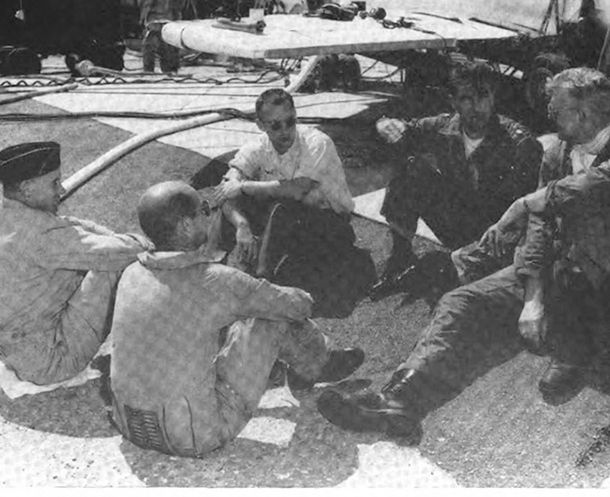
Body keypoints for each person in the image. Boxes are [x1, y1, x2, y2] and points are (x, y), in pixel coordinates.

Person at [316, 68, 610, 440]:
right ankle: (398, 401)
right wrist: (532, 298)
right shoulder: (558, 151)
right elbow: (540, 228)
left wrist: (526, 203)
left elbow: (594, 187)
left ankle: (574, 346)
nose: (550, 115)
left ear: (584, 115)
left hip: (608, 279)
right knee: (459, 303)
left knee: (569, 266)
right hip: (555, 269)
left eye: (557, 110)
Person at [109, 181, 364, 457]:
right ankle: (316, 364)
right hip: (194, 435)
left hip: (131, 424)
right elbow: (297, 306)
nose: (209, 215)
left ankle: (308, 364)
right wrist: (277, 292)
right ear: (185, 225)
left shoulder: (131, 274)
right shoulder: (214, 281)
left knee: (215, 321)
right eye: (204, 210)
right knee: (270, 315)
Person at [0, 142, 152, 385]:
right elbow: (126, 252)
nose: (62, 189)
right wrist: (140, 241)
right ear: (27, 189)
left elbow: (69, 226)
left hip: (14, 352)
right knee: (115, 266)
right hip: (52, 362)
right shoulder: (41, 236)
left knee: (84, 256)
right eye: (54, 183)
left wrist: (105, 238)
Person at [369, 58, 542, 301]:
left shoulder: (520, 143)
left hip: (498, 236)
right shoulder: (443, 127)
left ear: (494, 97)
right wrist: (384, 124)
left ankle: (459, 269)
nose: (477, 107)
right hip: (458, 224)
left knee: (452, 284)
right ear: (454, 102)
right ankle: (400, 257)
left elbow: (526, 216)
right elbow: (399, 131)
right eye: (467, 98)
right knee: (411, 169)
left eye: (483, 96)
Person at [212, 88, 375, 317]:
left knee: (282, 206)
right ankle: (209, 274)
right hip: (288, 227)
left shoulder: (317, 142)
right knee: (235, 204)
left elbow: (298, 190)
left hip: (329, 228)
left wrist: (244, 186)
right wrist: (242, 224)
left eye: (290, 121)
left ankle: (261, 285)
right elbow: (225, 189)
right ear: (260, 125)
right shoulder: (257, 147)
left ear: (296, 116)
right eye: (275, 125)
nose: (285, 131)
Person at [140, 0, 181, 74]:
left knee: (148, 47)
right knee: (164, 46)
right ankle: (167, 69)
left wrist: (142, 19)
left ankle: (148, 70)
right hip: (165, 20)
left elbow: (148, 5)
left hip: (154, 22)